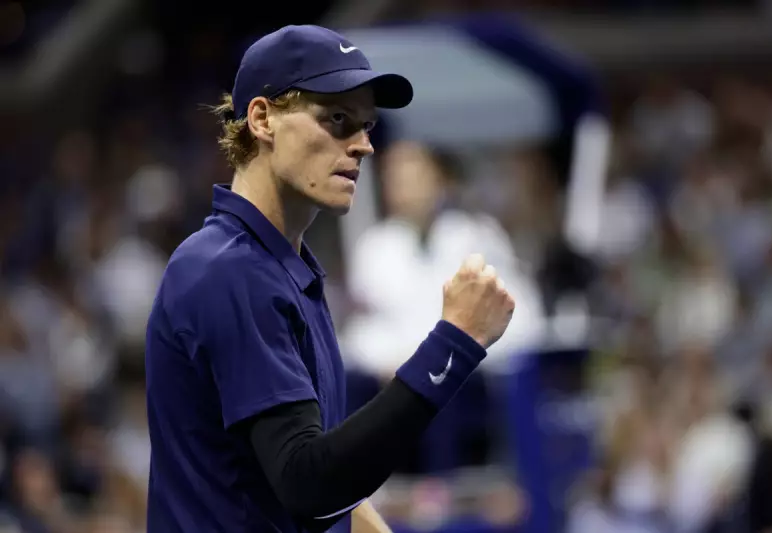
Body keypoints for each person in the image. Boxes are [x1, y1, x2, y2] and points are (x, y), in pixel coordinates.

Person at [144, 24, 516, 533]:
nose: (363, 145)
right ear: (261, 118)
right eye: (337, 120)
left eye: (367, 126)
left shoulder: (280, 268)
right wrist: (455, 342)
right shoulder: (228, 270)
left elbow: (313, 470)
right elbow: (308, 484)